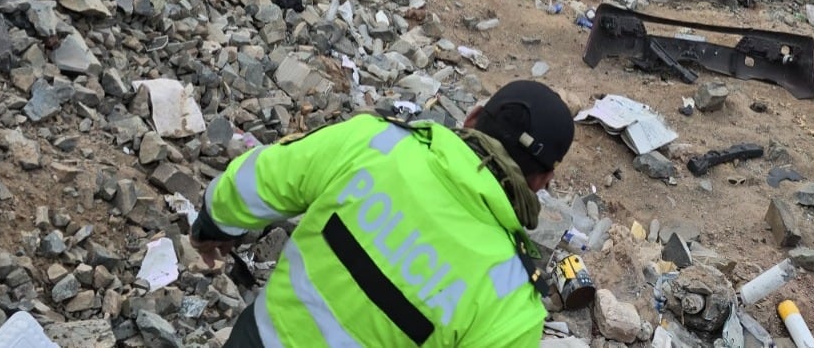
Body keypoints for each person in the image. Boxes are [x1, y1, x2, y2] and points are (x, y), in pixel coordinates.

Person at [190, 80, 576, 348]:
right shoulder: (512, 297)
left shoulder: (376, 141)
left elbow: (256, 181)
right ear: (543, 180)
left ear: (472, 119)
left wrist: (212, 224)